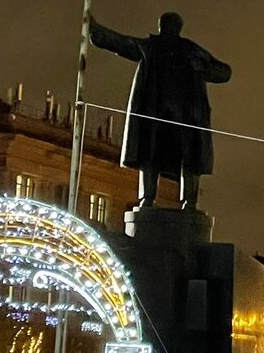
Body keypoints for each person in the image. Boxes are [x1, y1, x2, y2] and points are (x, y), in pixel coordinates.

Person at [90, 13, 231, 209]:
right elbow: (123, 43)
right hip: (155, 112)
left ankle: (189, 202)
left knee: (189, 157)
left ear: (178, 28)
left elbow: (224, 71)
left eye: (171, 24)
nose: (167, 28)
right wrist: (97, 30)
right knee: (150, 154)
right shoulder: (151, 46)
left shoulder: (190, 50)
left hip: (186, 116)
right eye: (165, 24)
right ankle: (147, 198)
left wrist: (203, 69)